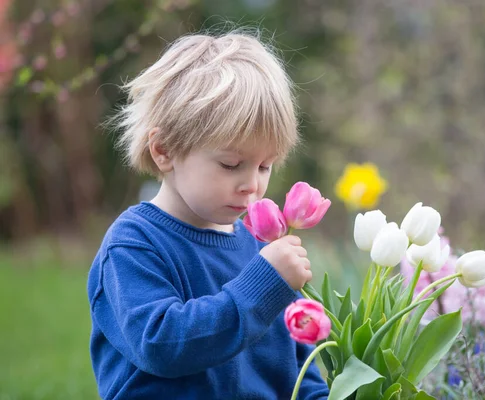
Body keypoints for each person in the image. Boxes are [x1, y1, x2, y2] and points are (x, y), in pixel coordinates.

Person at [87, 31, 329, 400]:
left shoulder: (262, 244)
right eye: (231, 164)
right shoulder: (133, 246)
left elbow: (299, 365)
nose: (252, 185)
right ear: (164, 150)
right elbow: (161, 345)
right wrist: (262, 287)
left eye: (265, 165)